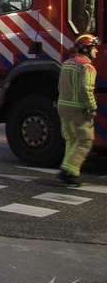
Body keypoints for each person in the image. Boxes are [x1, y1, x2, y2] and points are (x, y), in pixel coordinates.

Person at [56, 33, 100, 186]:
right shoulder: (87, 67)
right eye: (94, 48)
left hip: (63, 107)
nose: (97, 51)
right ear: (87, 48)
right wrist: (92, 107)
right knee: (85, 140)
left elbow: (60, 86)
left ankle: (72, 173)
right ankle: (67, 170)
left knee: (71, 140)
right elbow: (85, 88)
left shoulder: (67, 63)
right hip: (78, 110)